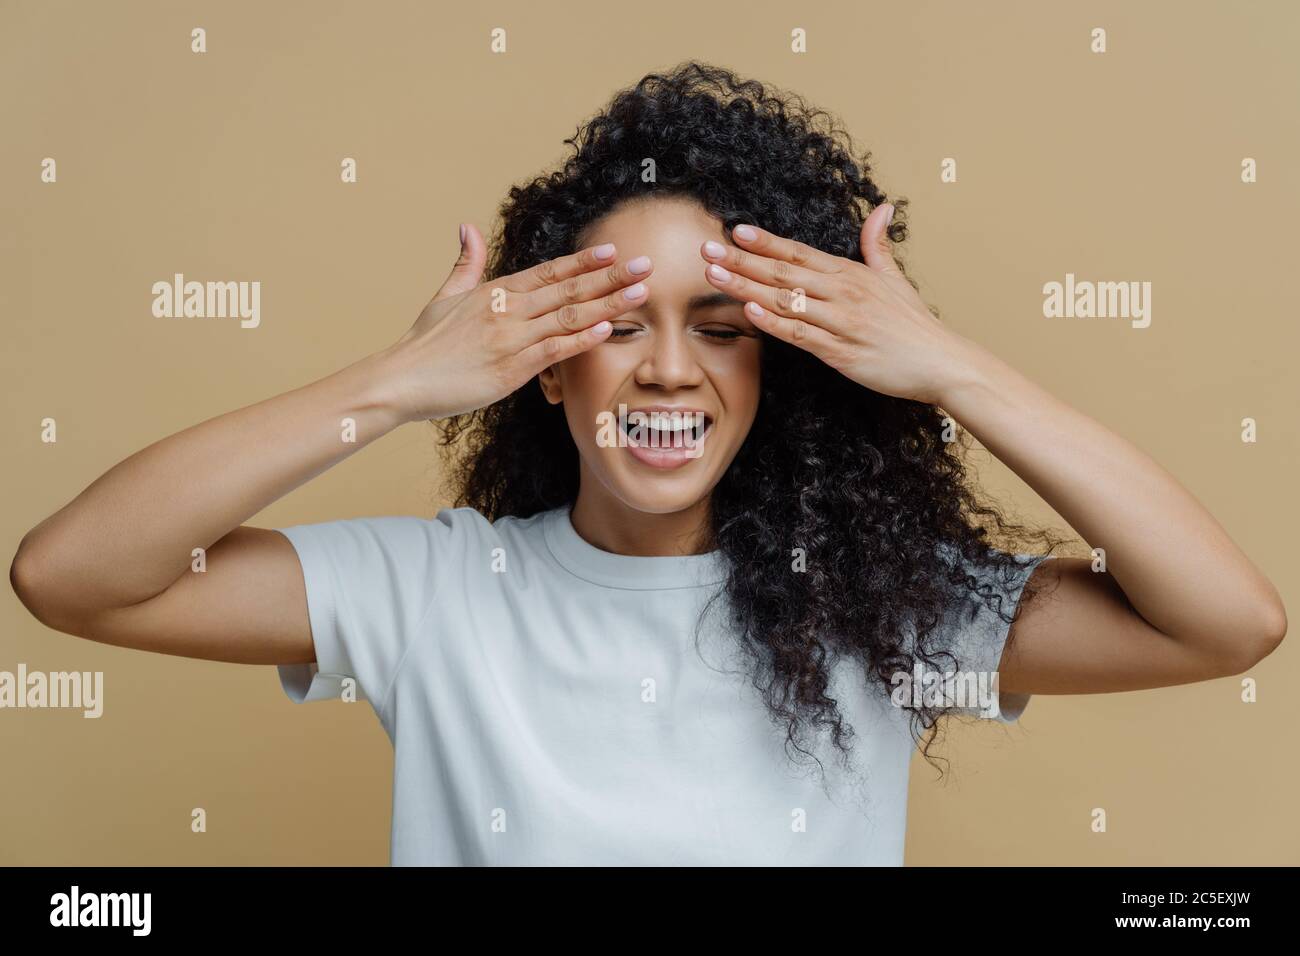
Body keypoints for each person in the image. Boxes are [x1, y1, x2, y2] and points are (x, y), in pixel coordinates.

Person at [10, 62, 1286, 865]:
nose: (669, 368)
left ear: (775, 370)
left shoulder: (879, 604)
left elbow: (1228, 623)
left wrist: (951, 367)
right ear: (543, 363)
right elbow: (73, 576)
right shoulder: (432, 594)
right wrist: (393, 385)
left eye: (722, 332)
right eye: (616, 326)